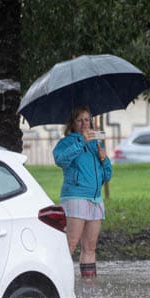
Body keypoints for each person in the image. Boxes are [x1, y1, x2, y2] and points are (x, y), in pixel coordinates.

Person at [53, 105, 112, 278]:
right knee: (70, 243)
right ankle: (57, 280)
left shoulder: (96, 143)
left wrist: (104, 159)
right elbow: (60, 160)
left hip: (95, 199)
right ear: (72, 123)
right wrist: (81, 142)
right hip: (75, 197)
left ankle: (89, 286)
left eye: (87, 119)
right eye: (79, 120)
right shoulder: (67, 142)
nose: (84, 123)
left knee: (90, 247)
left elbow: (106, 176)